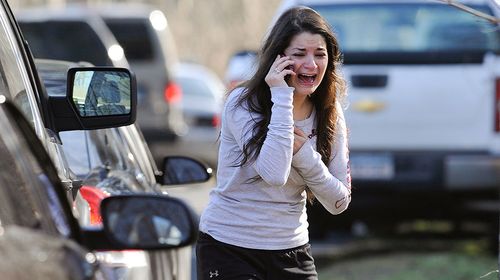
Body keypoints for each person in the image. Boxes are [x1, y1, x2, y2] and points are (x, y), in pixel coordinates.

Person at [197, 6, 352, 280]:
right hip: (229, 246)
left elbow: (338, 202)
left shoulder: (329, 112)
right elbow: (274, 173)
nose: (311, 65)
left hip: (292, 249)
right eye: (299, 54)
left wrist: (304, 154)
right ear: (278, 59)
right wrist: (282, 96)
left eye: (320, 54)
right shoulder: (242, 103)